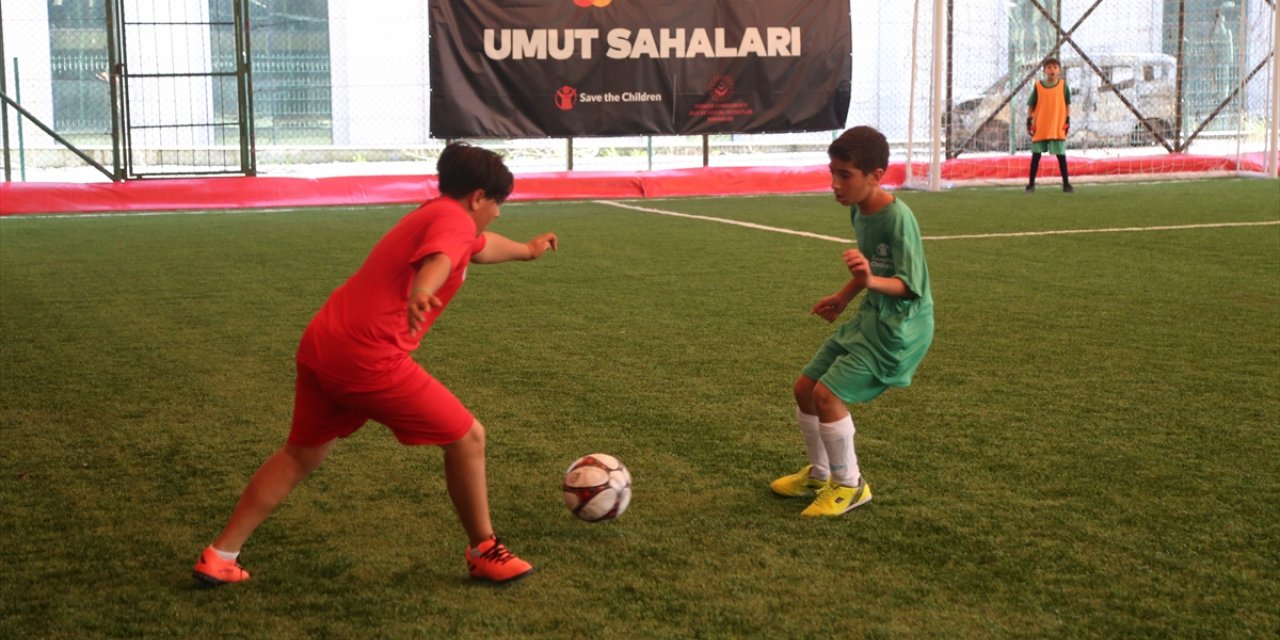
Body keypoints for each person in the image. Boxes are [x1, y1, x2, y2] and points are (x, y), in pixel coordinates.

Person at [193, 142, 557, 585]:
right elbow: (442, 258)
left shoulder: (435, 212)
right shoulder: (454, 220)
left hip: (323, 343)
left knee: (299, 455)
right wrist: (424, 289)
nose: (499, 213)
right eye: (498, 203)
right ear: (478, 197)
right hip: (367, 356)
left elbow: (477, 249)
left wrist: (528, 249)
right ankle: (485, 550)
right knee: (468, 438)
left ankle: (220, 554)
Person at [769, 126, 934, 517]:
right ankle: (820, 473)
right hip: (871, 317)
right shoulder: (859, 210)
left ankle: (850, 485)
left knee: (828, 396)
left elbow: (911, 287)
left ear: (876, 176)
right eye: (833, 172)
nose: (835, 184)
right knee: (805, 388)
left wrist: (867, 282)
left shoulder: (898, 219)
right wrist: (845, 296)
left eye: (845, 175)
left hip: (901, 329)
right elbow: (873, 269)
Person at [1025, 57, 1074, 193]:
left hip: (1057, 126)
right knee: (1036, 155)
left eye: (1054, 67)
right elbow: (1031, 105)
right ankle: (1030, 184)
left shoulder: (1063, 86)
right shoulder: (1038, 86)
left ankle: (1066, 184)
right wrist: (1029, 121)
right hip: (1040, 125)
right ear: (1044, 71)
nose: (1052, 70)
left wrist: (1067, 120)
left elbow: (1068, 104)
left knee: (1061, 155)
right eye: (1049, 67)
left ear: (1059, 70)